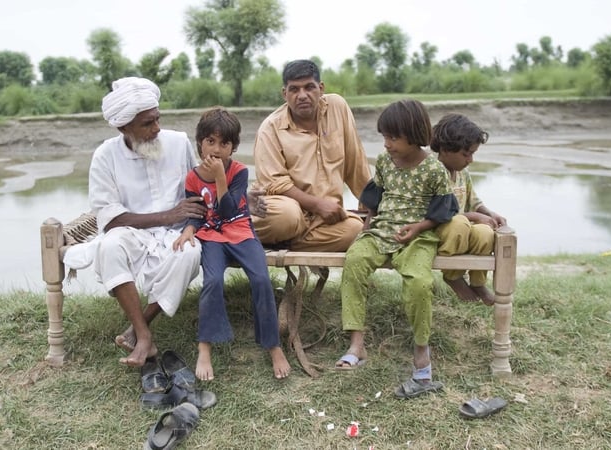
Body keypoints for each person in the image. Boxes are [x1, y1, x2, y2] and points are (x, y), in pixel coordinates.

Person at [335, 99, 458, 399]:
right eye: (384, 137)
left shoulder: (433, 168)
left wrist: (418, 227)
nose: (386, 144)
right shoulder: (385, 162)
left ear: (414, 135)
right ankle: (357, 344)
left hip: (418, 236)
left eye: (393, 138)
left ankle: (421, 348)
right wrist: (368, 225)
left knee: (419, 281)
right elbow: (375, 199)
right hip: (382, 230)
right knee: (355, 261)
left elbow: (444, 210)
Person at [88, 77, 205, 367]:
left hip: (176, 232)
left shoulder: (178, 143)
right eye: (147, 124)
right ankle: (144, 337)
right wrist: (167, 214)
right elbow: (110, 219)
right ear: (123, 128)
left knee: (189, 252)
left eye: (157, 119)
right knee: (109, 247)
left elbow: (199, 190)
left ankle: (139, 328)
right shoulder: (105, 156)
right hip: (131, 232)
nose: (156, 128)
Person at [173, 107, 291, 381]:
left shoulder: (239, 172)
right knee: (213, 281)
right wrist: (189, 229)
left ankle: (273, 346)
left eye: (224, 143)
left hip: (240, 231)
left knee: (261, 279)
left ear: (233, 147)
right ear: (200, 143)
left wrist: (219, 177)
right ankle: (204, 348)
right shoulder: (192, 178)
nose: (216, 149)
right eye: (210, 141)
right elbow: (196, 212)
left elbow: (228, 211)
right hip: (211, 236)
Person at [252, 59, 372, 251]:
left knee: (356, 230)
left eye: (309, 87)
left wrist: (372, 205)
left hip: (323, 219)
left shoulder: (337, 107)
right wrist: (317, 205)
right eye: (294, 89)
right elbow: (275, 184)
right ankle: (273, 235)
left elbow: (355, 164)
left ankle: (284, 242)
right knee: (288, 217)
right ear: (284, 93)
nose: (302, 96)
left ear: (321, 88)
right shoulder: (270, 128)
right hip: (283, 209)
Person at [431, 114, 508, 306]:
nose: (471, 160)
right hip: (438, 232)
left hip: (462, 232)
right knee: (459, 223)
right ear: (445, 150)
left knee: (484, 232)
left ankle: (478, 282)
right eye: (466, 154)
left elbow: (473, 200)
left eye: (473, 154)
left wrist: (488, 213)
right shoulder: (432, 173)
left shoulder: (462, 173)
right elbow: (436, 213)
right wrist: (473, 216)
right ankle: (453, 276)